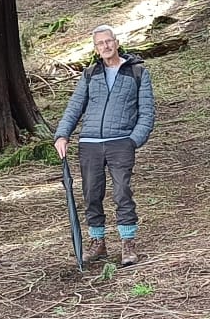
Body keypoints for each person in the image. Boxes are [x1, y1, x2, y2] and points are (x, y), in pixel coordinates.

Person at [54, 25, 155, 266]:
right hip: (90, 143)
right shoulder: (90, 74)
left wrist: (133, 141)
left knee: (122, 192)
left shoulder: (138, 73)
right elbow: (74, 107)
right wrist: (62, 135)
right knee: (91, 194)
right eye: (100, 43)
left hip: (121, 142)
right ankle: (97, 242)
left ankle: (127, 243)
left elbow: (147, 113)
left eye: (109, 41)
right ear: (96, 48)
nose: (106, 46)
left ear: (117, 43)